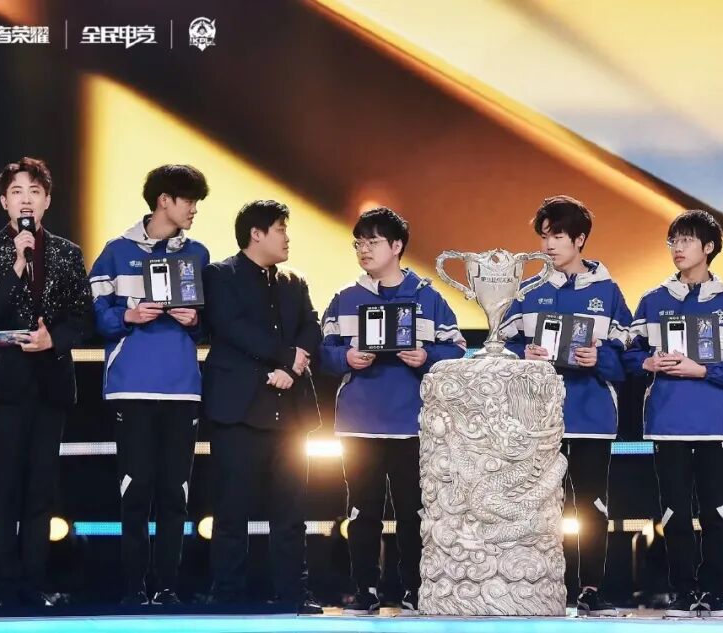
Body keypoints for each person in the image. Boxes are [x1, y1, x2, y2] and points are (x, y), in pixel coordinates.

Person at [320, 207, 466, 614]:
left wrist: (426, 357)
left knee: (414, 512)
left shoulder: (428, 297)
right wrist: (347, 358)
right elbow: (324, 353)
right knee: (362, 511)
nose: (363, 250)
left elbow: (457, 350)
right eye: (358, 243)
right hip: (359, 422)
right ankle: (364, 589)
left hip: (413, 423)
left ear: (397, 246)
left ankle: (416, 589)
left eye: (373, 242)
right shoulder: (345, 298)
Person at [0, 156, 92, 606]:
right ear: (4, 202)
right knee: (5, 485)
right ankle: (4, 587)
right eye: (17, 192)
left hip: (50, 382)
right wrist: (17, 263)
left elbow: (83, 317)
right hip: (4, 385)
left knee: (41, 486)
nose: (26, 200)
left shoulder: (68, 253)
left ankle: (35, 584)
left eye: (34, 192)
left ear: (47, 201)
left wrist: (52, 340)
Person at [623, 210, 723, 618]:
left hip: (717, 422)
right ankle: (683, 592)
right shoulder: (653, 300)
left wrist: (703, 371)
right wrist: (648, 363)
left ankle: (714, 592)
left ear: (709, 247)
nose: (677, 248)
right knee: (674, 513)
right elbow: (627, 355)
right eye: (673, 241)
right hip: (667, 423)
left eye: (686, 240)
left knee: (717, 512)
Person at [498, 195, 632, 616]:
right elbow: (499, 347)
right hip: (536, 421)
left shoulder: (608, 292)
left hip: (592, 416)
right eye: (544, 236)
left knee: (590, 506)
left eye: (557, 235)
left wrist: (599, 358)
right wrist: (524, 354)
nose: (548, 245)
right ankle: (534, 587)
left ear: (580, 239)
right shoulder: (529, 291)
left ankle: (590, 588)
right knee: (534, 507)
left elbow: (629, 358)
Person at [88, 164, 210, 605]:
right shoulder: (115, 252)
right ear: (164, 200)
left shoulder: (198, 255)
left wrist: (194, 321)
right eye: (188, 200)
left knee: (176, 493)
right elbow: (96, 314)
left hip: (182, 388)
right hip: (132, 387)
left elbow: (208, 324)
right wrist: (128, 315)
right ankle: (133, 589)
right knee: (135, 491)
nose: (194, 209)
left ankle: (167, 588)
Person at [201, 200, 322, 612]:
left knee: (291, 511)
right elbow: (231, 327)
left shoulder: (294, 281)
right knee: (231, 511)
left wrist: (292, 365)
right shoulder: (220, 275)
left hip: (289, 412)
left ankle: (293, 593)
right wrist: (285, 358)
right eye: (280, 229)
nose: (287, 238)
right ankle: (228, 595)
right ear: (256, 234)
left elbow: (311, 326)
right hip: (238, 410)